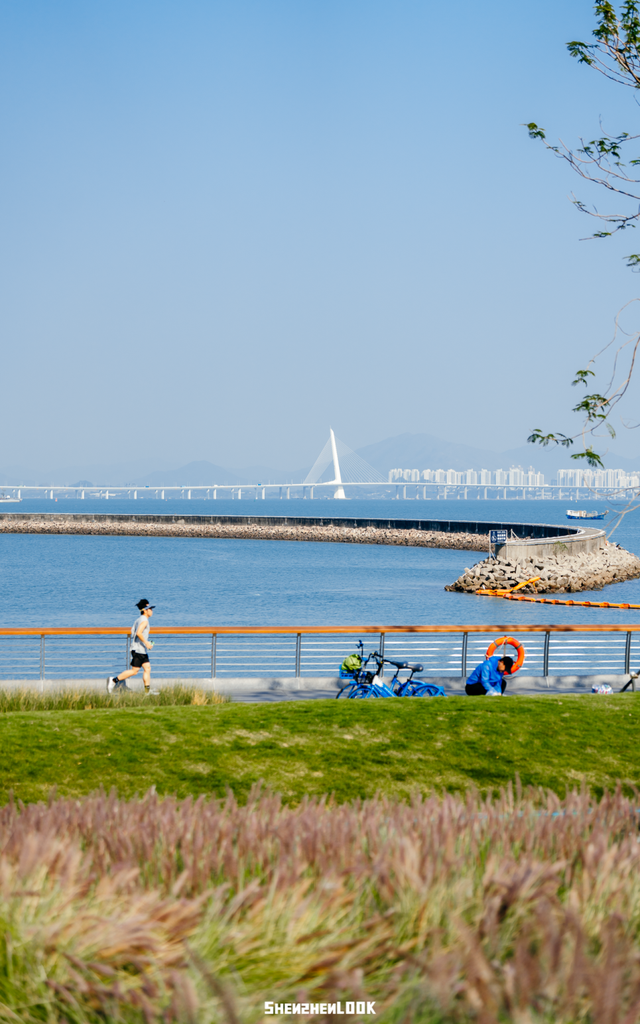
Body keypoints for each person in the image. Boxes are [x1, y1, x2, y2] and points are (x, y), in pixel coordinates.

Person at [107, 599, 159, 694]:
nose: (152, 610)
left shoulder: (138, 620)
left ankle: (147, 692)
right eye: (150, 609)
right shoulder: (144, 621)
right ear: (145, 610)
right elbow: (139, 633)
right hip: (139, 650)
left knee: (147, 668)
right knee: (134, 671)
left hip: (140, 649)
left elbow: (134, 633)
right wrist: (147, 643)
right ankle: (114, 681)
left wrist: (146, 643)